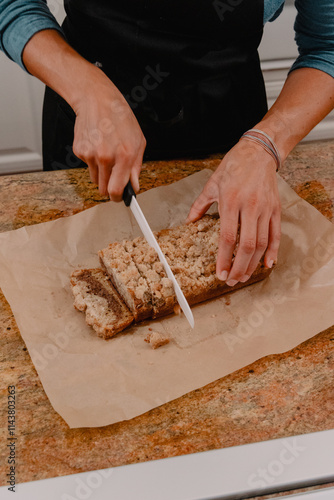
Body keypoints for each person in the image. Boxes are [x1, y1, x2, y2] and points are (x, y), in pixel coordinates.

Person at [1, 0, 333, 288]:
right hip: (88, 119)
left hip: (229, 124)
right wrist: (87, 90)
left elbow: (328, 45)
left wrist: (265, 143)